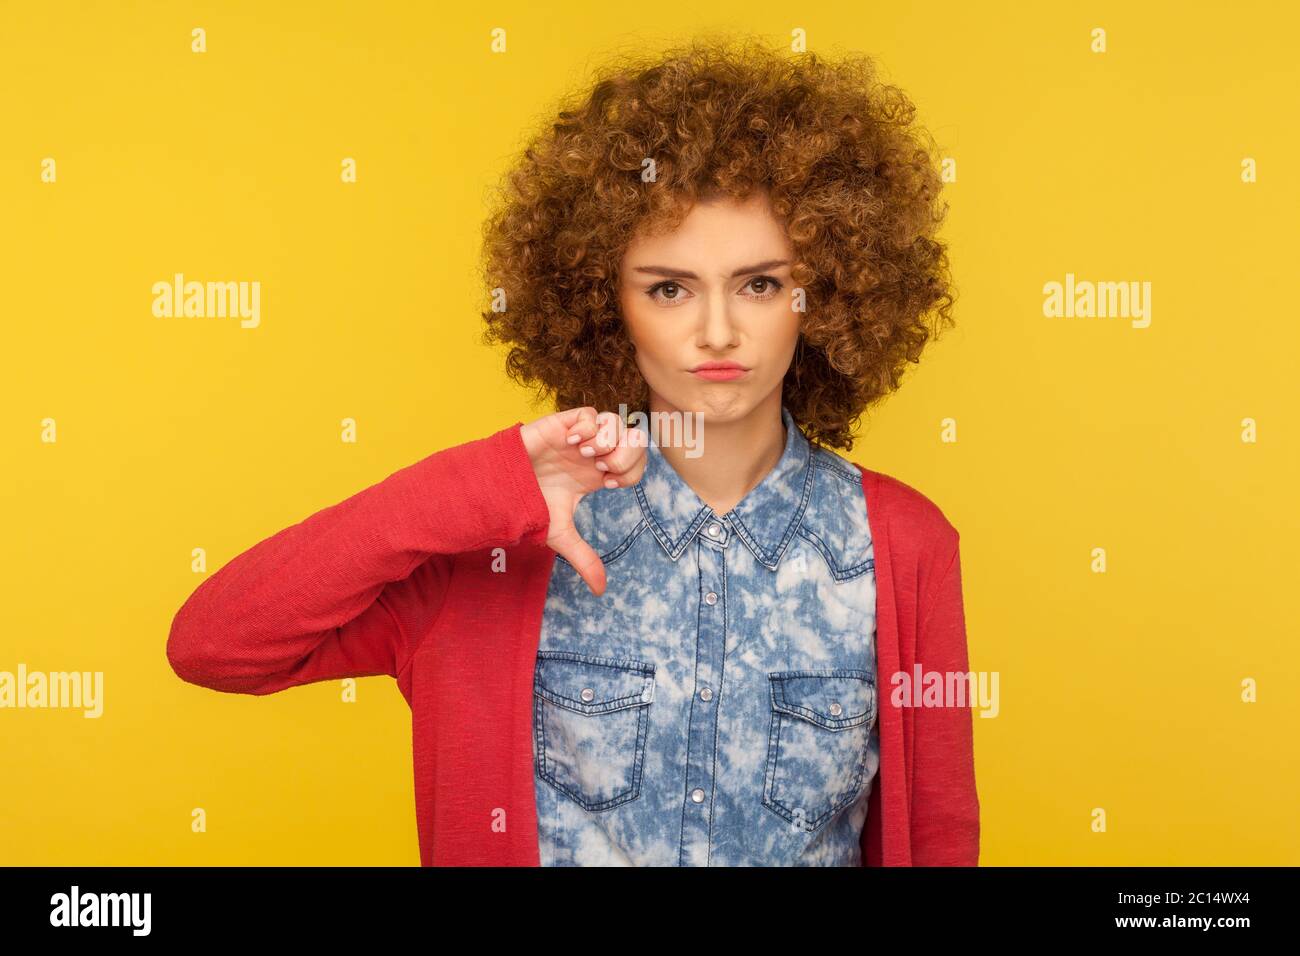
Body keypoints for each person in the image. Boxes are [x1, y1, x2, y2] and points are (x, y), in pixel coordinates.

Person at [167, 35, 978, 866]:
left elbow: (939, 833)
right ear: (603, 302)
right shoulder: (495, 547)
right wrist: (487, 482)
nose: (718, 331)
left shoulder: (904, 546)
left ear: (828, 293)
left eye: (760, 284)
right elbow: (216, 644)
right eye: (669, 288)